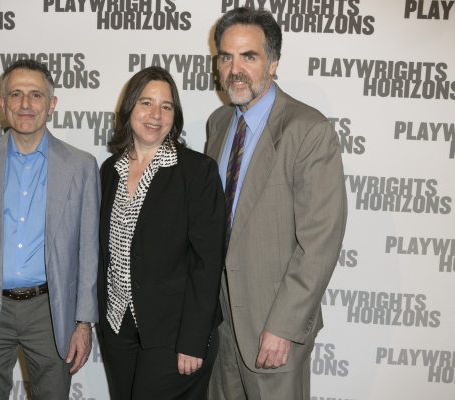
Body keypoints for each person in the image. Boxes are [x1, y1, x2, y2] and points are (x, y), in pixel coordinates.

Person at [206, 8, 348, 400]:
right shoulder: (218, 124)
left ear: (273, 63)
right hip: (219, 323)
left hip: (272, 326)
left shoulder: (308, 131)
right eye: (226, 56)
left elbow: (320, 242)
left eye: (248, 56)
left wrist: (284, 326)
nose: (235, 69)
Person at [0, 59, 100, 400]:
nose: (26, 104)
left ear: (52, 104)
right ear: (2, 103)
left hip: (52, 311)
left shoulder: (81, 166)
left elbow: (89, 252)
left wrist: (84, 323)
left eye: (36, 95)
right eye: (16, 94)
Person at [98, 66, 225, 399]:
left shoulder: (196, 172)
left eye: (166, 106)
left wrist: (193, 340)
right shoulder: (110, 170)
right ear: (129, 110)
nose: (155, 114)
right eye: (146, 103)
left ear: (175, 116)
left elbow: (208, 263)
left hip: (176, 333)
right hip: (118, 326)